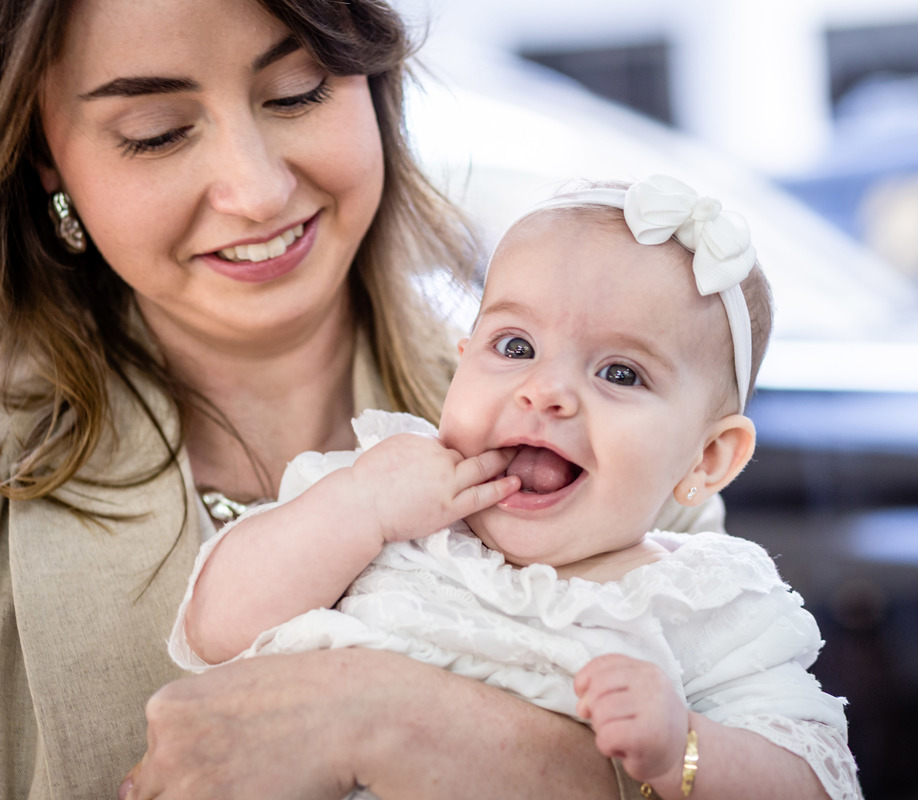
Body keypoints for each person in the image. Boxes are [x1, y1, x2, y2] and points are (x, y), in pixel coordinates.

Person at [0, 1, 726, 799]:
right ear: (47, 160)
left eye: (298, 92)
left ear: (375, 84)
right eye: (158, 131)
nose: (258, 190)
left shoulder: (593, 429)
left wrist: (388, 724)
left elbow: (759, 759)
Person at [172, 175, 862, 800]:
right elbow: (214, 628)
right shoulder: (384, 498)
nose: (547, 392)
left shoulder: (704, 606)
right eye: (515, 347)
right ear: (461, 361)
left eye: (620, 373)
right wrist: (359, 505)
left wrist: (685, 746)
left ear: (709, 457)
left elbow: (816, 779)